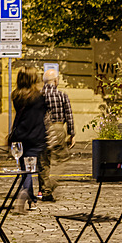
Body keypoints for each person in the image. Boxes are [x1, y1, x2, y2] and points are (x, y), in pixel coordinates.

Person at [9, 66, 46, 212]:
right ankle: (26, 195)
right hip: (35, 137)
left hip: (20, 137)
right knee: (31, 169)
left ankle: (31, 199)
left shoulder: (16, 96)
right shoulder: (39, 97)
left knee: (25, 169)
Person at [38, 69, 75, 202]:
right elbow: (69, 115)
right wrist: (72, 134)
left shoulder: (39, 96)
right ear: (55, 80)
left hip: (42, 130)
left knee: (43, 162)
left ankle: (45, 190)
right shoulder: (62, 95)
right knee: (63, 159)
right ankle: (51, 184)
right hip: (59, 128)